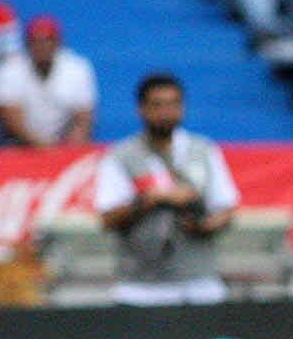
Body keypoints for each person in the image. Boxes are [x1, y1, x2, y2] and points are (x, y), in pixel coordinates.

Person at [94, 74, 240, 306]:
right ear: (141, 109)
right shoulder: (121, 156)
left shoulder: (203, 151)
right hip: (140, 285)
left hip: (198, 280)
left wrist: (204, 225)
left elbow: (226, 207)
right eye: (157, 105)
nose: (166, 112)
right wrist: (150, 200)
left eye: (173, 104)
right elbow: (107, 217)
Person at [0, 16, 97, 147]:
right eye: (36, 41)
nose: (42, 47)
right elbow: (12, 118)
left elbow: (83, 117)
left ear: (58, 42)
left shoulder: (77, 68)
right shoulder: (11, 68)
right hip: (19, 144)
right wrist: (44, 148)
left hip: (63, 144)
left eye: (48, 41)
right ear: (27, 44)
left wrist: (70, 148)